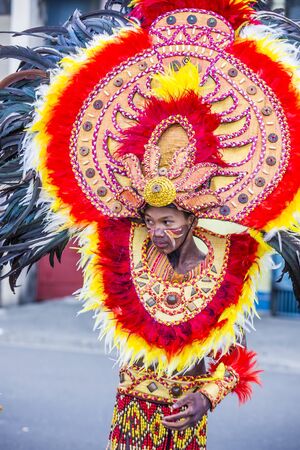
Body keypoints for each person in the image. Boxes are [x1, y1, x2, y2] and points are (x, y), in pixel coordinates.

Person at [0, 1, 300, 449]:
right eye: (150, 220)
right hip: (127, 423)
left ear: (194, 218)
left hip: (186, 430)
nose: (157, 230)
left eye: (168, 221)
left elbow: (237, 359)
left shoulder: (228, 262)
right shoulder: (123, 248)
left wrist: (207, 396)